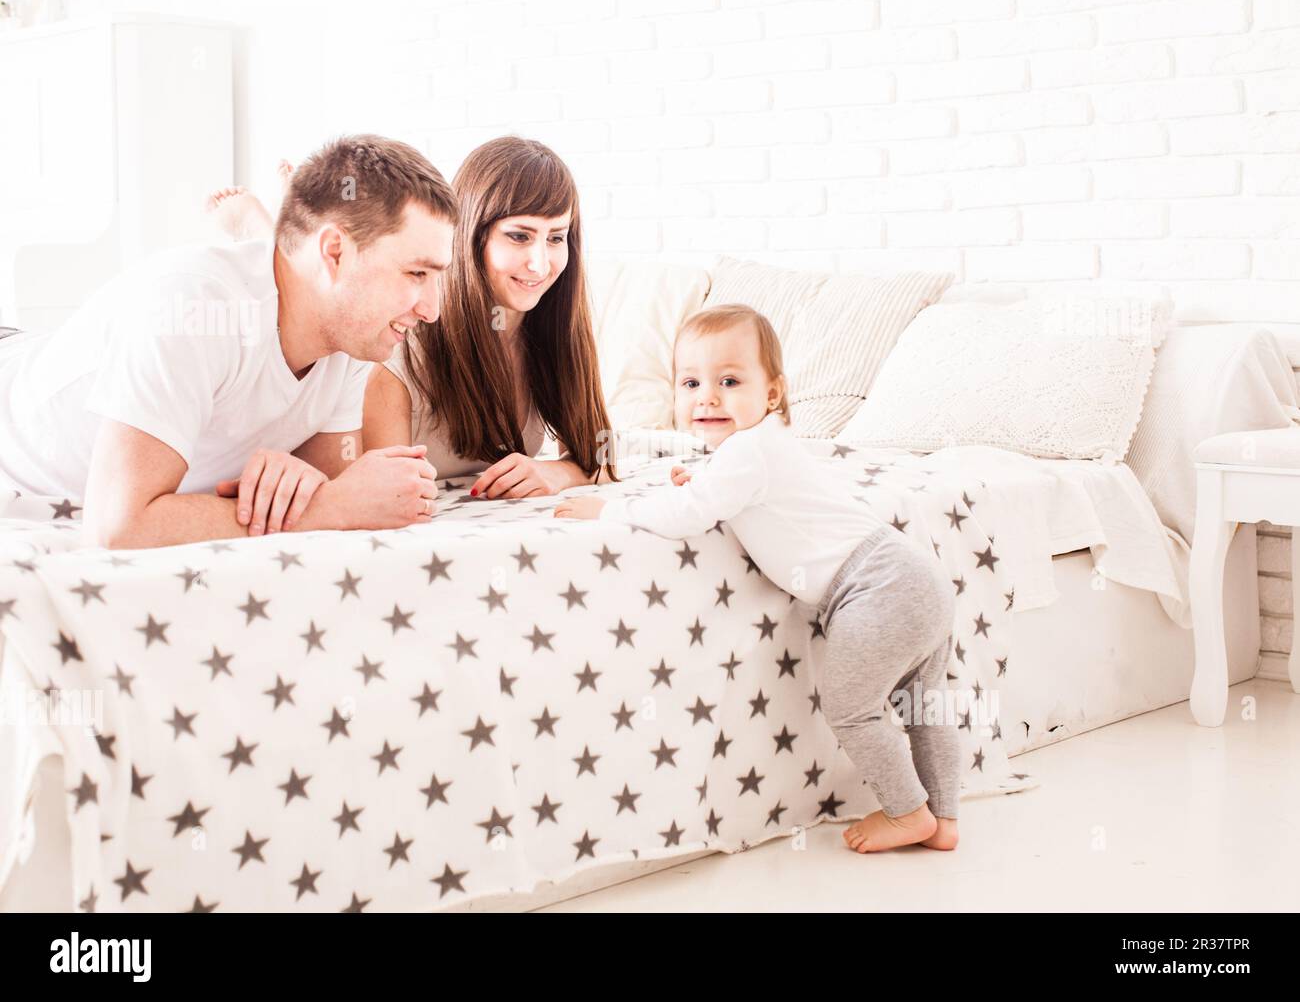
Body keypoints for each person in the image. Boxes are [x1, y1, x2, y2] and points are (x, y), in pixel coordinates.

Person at [555, 304, 961, 853]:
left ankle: (908, 812)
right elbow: (746, 490)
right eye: (691, 382)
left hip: (876, 588)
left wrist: (608, 512)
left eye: (729, 381)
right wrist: (703, 477)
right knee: (923, 704)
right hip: (914, 576)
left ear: (772, 394)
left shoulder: (746, 451)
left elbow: (689, 515)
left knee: (853, 708)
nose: (707, 397)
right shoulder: (757, 447)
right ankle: (945, 818)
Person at [0, 134, 456, 548]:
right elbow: (118, 527)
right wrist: (326, 507)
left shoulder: (356, 337)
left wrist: (315, 492)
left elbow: (321, 485)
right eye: (416, 273)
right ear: (334, 252)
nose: (431, 310)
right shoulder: (190, 306)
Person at [209, 136, 615, 498]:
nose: (540, 264)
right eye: (519, 236)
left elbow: (602, 453)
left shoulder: (552, 329)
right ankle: (269, 232)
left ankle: (275, 228)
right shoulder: (397, 343)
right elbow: (395, 498)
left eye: (557, 237)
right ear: (470, 237)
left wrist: (558, 472)